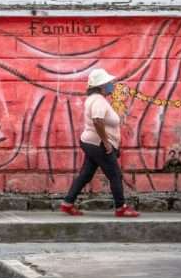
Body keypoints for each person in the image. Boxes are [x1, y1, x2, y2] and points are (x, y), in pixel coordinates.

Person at [60, 68, 140, 218]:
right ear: (102, 85)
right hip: (99, 144)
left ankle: (67, 203)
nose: (111, 84)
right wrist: (106, 142)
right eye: (109, 83)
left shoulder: (94, 99)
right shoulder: (99, 101)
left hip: (91, 142)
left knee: (86, 174)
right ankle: (121, 208)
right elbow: (97, 121)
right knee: (115, 175)